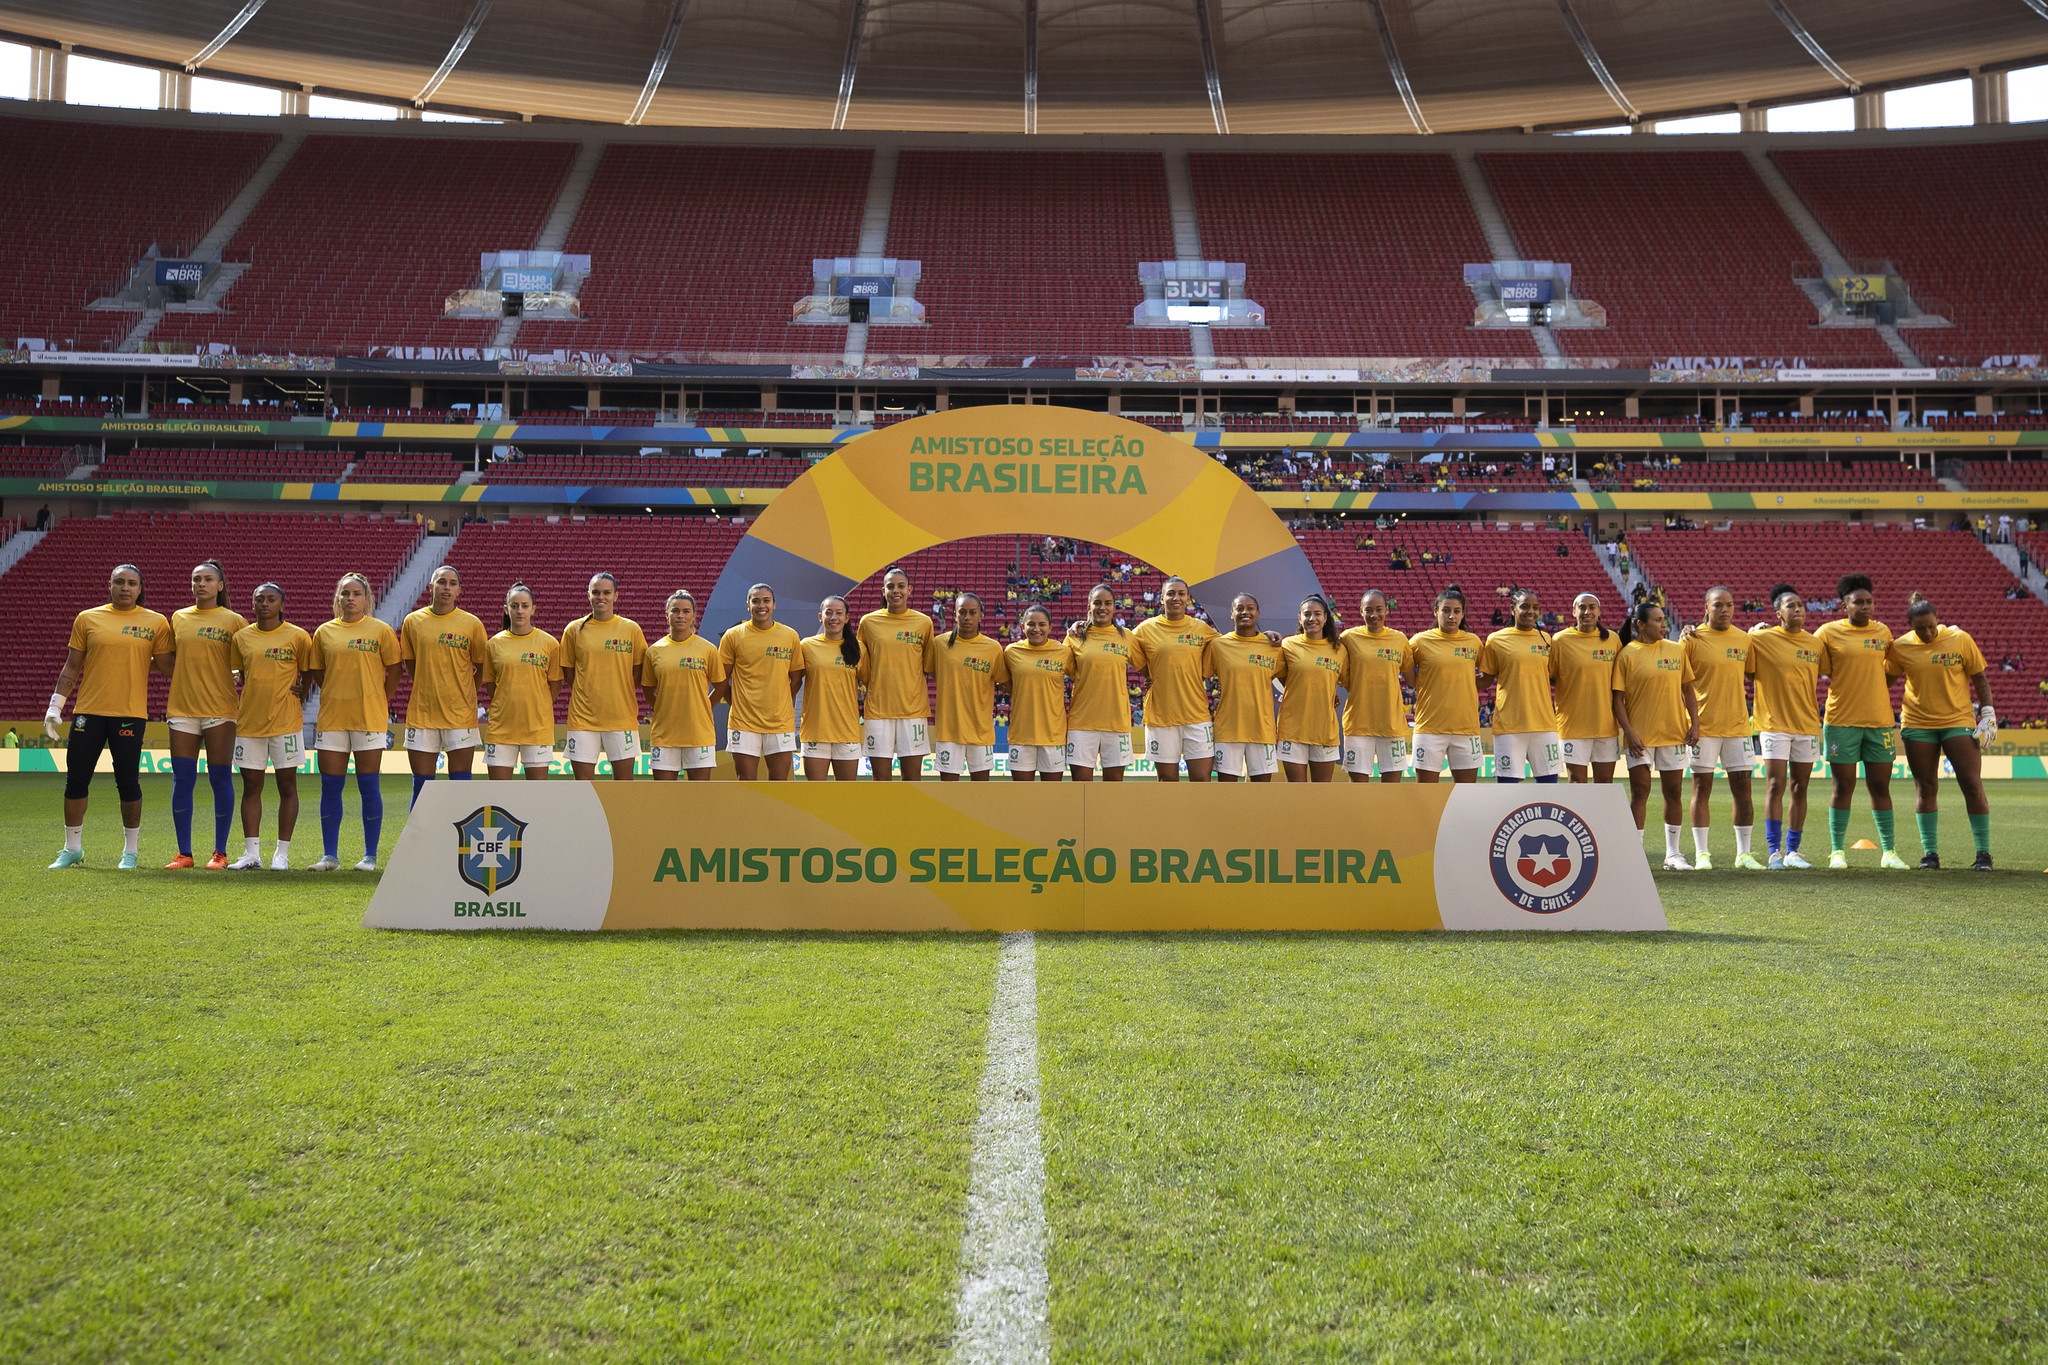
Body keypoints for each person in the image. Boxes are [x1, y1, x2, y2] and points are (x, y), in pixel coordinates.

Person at [46, 563, 173, 869]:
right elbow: (72, 665)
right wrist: (55, 705)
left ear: (140, 589)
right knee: (76, 780)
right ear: (110, 585)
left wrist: (218, 674)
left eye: (131, 583)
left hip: (130, 714)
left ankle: (130, 852)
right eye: (119, 582)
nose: (125, 588)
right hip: (88, 712)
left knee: (128, 782)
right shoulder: (87, 618)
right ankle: (72, 848)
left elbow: (169, 668)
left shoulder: (156, 623)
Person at [1888, 594, 1995, 870]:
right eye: (1920, 628)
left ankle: (1983, 854)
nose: (1927, 632)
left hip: (1957, 721)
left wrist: (1987, 712)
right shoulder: (1900, 647)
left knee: (1971, 783)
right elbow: (1884, 681)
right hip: (1917, 724)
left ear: (1938, 620)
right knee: (1926, 788)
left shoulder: (1960, 639)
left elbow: (1979, 677)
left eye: (1931, 626)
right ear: (1910, 626)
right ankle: (1930, 854)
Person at [305, 573, 400, 871]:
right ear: (338, 598)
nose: (350, 598)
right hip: (333, 718)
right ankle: (329, 856)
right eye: (345, 593)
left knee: (368, 786)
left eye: (356, 593)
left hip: (369, 718)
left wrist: (378, 699)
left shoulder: (381, 631)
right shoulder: (324, 632)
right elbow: (319, 673)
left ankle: (370, 856)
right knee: (330, 787)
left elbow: (395, 671)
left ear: (367, 599)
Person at [1815, 573, 1905, 869]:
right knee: (1843, 787)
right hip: (1841, 720)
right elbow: (1812, 662)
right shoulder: (1827, 633)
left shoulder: (1883, 632)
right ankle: (1837, 851)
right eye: (1858, 602)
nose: (1866, 607)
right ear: (1844, 605)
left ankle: (1889, 852)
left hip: (1880, 721)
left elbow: (1892, 671)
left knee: (1881, 787)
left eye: (1869, 602)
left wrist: (1874, 688)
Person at [164, 560, 245, 870]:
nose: (201, 584)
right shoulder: (178, 618)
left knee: (220, 777)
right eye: (196, 578)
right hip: (183, 708)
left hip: (220, 710)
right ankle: (184, 853)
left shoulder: (234, 620)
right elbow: (171, 659)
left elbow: (244, 661)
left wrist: (235, 673)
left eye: (208, 579)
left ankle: (220, 853)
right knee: (182, 780)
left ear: (220, 586)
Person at [228, 583, 311, 871]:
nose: (265, 604)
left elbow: (310, 671)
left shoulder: (298, 637)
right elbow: (237, 673)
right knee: (251, 786)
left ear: (282, 605)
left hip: (286, 723)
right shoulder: (241, 638)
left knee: (287, 785)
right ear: (252, 604)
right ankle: (252, 853)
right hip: (250, 723)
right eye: (259, 599)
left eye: (271, 599)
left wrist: (302, 690)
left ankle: (282, 854)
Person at [1612, 601, 1701, 870]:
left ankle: (1672, 854)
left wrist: (1695, 724)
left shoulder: (1676, 650)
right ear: (1640, 624)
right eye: (1658, 620)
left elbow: (1688, 691)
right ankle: (1634, 854)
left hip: (1674, 733)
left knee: (1673, 792)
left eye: (1664, 620)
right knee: (1640, 791)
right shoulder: (1627, 654)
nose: (1664, 625)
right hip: (1640, 737)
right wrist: (1629, 732)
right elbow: (1618, 699)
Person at [1683, 587, 1761, 869]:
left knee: (1743, 790)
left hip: (1738, 727)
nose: (1725, 610)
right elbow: (1680, 682)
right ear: (1706, 606)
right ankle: (1702, 853)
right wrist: (1690, 721)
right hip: (1702, 728)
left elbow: (1752, 673)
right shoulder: (1691, 639)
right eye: (1718, 605)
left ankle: (1744, 854)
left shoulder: (1744, 639)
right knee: (1701, 788)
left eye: (1729, 604)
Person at [1747, 585, 1822, 869]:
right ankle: (1773, 852)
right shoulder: (1761, 639)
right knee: (1775, 784)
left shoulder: (1815, 644)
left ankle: (1793, 852)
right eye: (1791, 605)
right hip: (1773, 723)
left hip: (1806, 725)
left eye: (1801, 605)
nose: (1798, 609)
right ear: (1778, 613)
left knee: (1800, 787)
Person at [399, 566, 486, 807]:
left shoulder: (472, 624)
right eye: (441, 582)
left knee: (460, 786)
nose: (447, 587)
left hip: (460, 715)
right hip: (422, 714)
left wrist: (467, 693)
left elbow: (481, 667)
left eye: (452, 583)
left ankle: (458, 842)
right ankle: (420, 842)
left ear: (459, 590)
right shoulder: (413, 621)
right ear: (431, 587)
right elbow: (411, 664)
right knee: (422, 788)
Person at [561, 572, 648, 780]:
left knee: (623, 785)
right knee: (583, 786)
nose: (602, 597)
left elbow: (638, 670)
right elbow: (568, 671)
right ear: (588, 595)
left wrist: (620, 689)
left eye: (607, 592)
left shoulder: (631, 629)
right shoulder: (574, 630)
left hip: (621, 718)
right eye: (596, 592)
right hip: (583, 719)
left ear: (616, 596)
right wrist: (587, 690)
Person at [1132, 577, 1218, 782]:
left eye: (1181, 593)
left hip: (1196, 716)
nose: (1176, 598)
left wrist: (1264, 635)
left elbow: (1232, 646)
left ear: (1188, 599)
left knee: (1202, 781)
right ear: (1161, 599)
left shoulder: (1202, 629)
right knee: (1167, 783)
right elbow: (1119, 644)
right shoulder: (1145, 629)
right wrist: (1149, 674)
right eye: (1170, 593)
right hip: (1161, 718)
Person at [714, 583, 802, 780]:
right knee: (746, 784)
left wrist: (780, 702)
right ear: (748, 605)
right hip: (743, 723)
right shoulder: (733, 636)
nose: (761, 606)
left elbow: (796, 679)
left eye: (766, 601)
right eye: (756, 601)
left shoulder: (790, 636)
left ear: (774, 605)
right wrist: (737, 703)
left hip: (780, 722)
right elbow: (721, 679)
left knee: (778, 785)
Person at [856, 567, 934, 781]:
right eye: (890, 587)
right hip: (878, 710)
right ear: (883, 591)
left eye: (901, 586)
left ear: (910, 590)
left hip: (913, 710)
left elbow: (927, 665)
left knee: (912, 779)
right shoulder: (868, 622)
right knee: (881, 780)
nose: (896, 591)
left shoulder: (924, 623)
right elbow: (861, 662)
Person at [482, 582, 563, 781]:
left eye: (525, 606)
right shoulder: (494, 644)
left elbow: (555, 685)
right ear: (506, 609)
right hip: (501, 730)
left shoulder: (549, 644)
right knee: (498, 797)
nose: (520, 610)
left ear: (533, 609)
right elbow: (492, 686)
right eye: (514, 605)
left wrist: (537, 704)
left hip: (537, 729)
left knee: (535, 798)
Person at [1066, 584, 1147, 781]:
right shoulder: (1073, 638)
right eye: (1097, 603)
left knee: (1112, 790)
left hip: (1116, 722)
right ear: (1089, 606)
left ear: (1113, 607)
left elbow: (1145, 668)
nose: (1102, 607)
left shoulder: (1126, 636)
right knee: (1082, 789)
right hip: (1082, 723)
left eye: (1107, 603)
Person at [1480, 589, 1561, 784]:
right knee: (1508, 791)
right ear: (1512, 609)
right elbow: (1485, 679)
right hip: (1509, 726)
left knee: (1549, 788)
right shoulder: (1496, 640)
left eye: (1535, 608)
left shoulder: (1547, 640)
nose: (1530, 612)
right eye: (1524, 606)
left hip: (1544, 724)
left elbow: (1554, 678)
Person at [643, 589, 724, 782]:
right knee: (665, 798)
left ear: (694, 616)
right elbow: (647, 689)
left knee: (699, 798)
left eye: (686, 611)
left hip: (699, 735)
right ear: (667, 614)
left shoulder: (708, 649)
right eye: (675, 611)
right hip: (665, 735)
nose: (681, 616)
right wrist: (664, 708)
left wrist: (702, 707)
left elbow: (721, 687)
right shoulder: (654, 651)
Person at [928, 593, 1009, 781]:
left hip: (981, 731)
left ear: (981, 615)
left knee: (979, 791)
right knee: (949, 791)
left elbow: (1004, 682)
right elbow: (932, 671)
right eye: (962, 612)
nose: (967, 617)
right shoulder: (939, 644)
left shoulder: (993, 648)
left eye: (973, 612)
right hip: (949, 729)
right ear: (954, 614)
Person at [1409, 587, 1485, 784]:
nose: (1451, 616)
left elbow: (1487, 675)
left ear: (1463, 613)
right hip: (1429, 729)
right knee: (1426, 795)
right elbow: (1406, 673)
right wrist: (1426, 685)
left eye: (1457, 611)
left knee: (1466, 794)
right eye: (1446, 610)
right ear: (1436, 611)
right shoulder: (1420, 641)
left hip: (1466, 729)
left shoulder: (1473, 642)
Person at [1205, 594, 1283, 783]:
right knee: (1227, 794)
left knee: (1261, 794)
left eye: (1250, 608)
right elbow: (1197, 675)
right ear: (1231, 614)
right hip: (1228, 730)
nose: (1245, 612)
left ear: (1258, 613)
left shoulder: (1273, 646)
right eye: (1239, 608)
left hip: (1262, 730)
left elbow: (1293, 679)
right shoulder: (1218, 645)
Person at [1338, 589, 1412, 783]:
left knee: (1391, 789)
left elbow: (1413, 677)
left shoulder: (1400, 640)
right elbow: (1338, 672)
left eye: (1379, 609)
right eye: (1368, 610)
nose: (1374, 615)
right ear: (1360, 611)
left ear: (1387, 610)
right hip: (1358, 723)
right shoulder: (1347, 638)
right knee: (1359, 790)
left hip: (1391, 723)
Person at [1551, 592, 1622, 784]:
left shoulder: (1613, 640)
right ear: (1573, 612)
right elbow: (1549, 677)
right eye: (1582, 607)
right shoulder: (1559, 640)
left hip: (1606, 724)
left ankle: (1600, 817)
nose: (1587, 611)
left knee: (1605, 782)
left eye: (1592, 607)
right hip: (1572, 725)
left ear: (1599, 612)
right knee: (1576, 782)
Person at [1277, 595, 1348, 782]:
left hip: (1325, 731)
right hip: (1292, 731)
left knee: (1320, 796)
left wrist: (1329, 693)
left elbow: (1342, 680)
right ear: (1299, 618)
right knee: (1297, 794)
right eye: (1307, 614)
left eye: (1317, 614)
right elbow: (1285, 677)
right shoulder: (1288, 645)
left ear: (1325, 618)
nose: (1312, 619)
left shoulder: (1339, 649)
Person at [1003, 605, 1074, 781]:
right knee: (1022, 797)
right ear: (1022, 626)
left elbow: (1083, 675)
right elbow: (1004, 683)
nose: (1036, 629)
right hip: (1021, 736)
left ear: (1050, 627)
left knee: (1050, 798)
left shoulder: (1063, 652)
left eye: (1042, 624)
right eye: (1031, 624)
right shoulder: (1011, 652)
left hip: (1053, 737)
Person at [798, 595, 862, 781]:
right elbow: (791, 681)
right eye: (829, 613)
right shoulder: (807, 646)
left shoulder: (859, 648)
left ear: (847, 618)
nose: (834, 617)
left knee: (845, 797)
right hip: (815, 731)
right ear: (820, 617)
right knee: (817, 796)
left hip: (847, 731)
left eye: (839, 613)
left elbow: (871, 682)